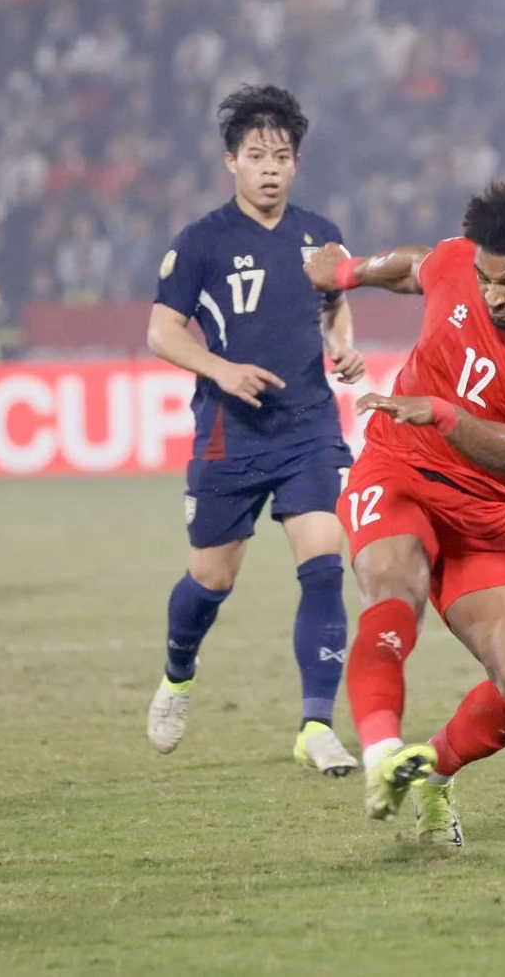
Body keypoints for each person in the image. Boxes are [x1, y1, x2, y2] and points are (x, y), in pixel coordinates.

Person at [305, 181, 505, 847]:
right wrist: (346, 272)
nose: (494, 296)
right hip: (395, 471)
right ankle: (382, 754)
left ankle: (431, 773)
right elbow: (414, 267)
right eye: (485, 278)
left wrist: (447, 416)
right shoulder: (459, 264)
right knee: (395, 588)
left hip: (483, 511)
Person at [144, 86, 366, 777]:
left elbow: (334, 308)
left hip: (309, 426)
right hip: (229, 432)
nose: (269, 168)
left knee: (324, 564)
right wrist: (222, 369)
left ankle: (316, 726)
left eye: (281, 156)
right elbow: (160, 332)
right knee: (211, 578)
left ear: (296, 163)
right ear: (231, 162)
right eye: (256, 156)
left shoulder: (321, 236)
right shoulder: (201, 242)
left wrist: (343, 347)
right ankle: (178, 675)